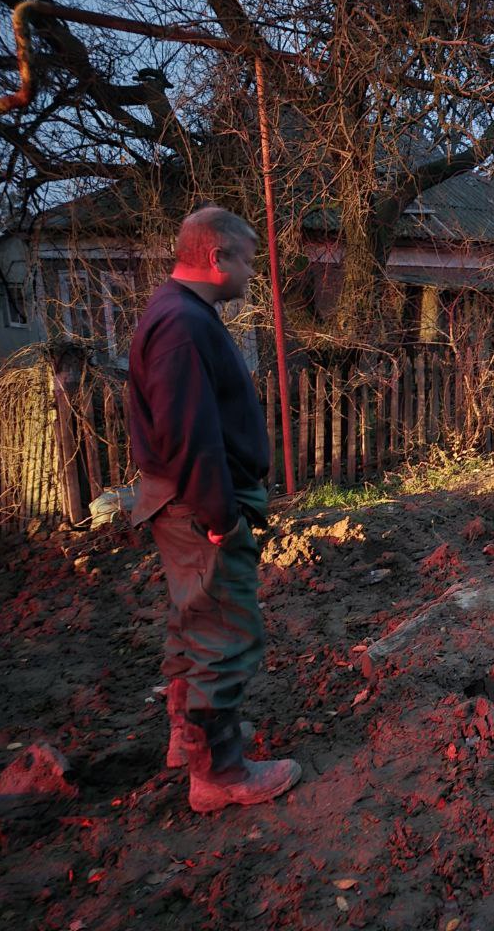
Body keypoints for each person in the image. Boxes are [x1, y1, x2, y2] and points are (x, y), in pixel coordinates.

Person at [128, 206, 301, 812]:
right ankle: (219, 773)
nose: (252, 275)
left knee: (194, 620)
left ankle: (189, 741)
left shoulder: (179, 314)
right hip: (199, 505)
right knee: (223, 631)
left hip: (185, 501)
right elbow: (188, 434)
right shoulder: (181, 326)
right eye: (248, 261)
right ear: (215, 257)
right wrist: (219, 516)